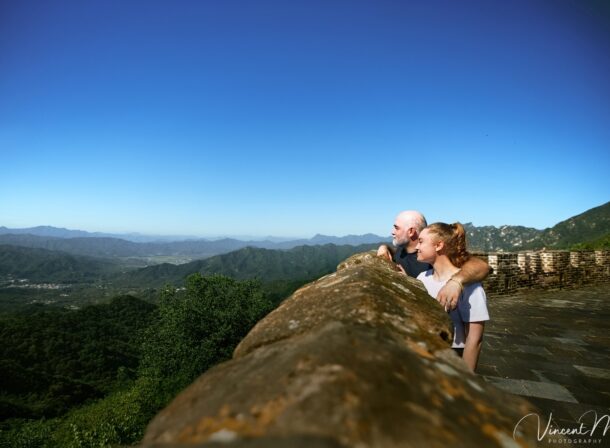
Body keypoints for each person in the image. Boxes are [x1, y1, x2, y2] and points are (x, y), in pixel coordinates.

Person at [377, 210, 490, 311]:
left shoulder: (434, 258)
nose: (392, 231)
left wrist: (456, 282)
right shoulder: (401, 251)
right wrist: (384, 247)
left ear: (411, 231)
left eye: (396, 228)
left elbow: (482, 266)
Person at [415, 222, 489, 372]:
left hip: (452, 358)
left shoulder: (470, 286)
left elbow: (474, 339)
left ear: (438, 245)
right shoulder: (422, 278)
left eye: (421, 242)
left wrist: (466, 379)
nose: (417, 247)